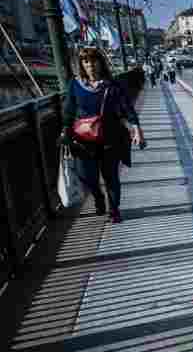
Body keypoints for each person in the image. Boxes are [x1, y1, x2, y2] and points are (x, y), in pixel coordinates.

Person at [59, 47, 144, 223]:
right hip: (83, 140)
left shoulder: (113, 85)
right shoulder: (75, 84)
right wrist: (65, 130)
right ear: (82, 64)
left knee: (111, 177)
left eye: (94, 61)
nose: (90, 65)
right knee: (87, 177)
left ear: (100, 62)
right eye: (86, 61)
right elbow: (68, 111)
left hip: (110, 138)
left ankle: (114, 209)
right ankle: (98, 196)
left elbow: (127, 108)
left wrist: (136, 129)